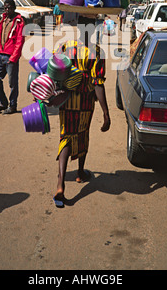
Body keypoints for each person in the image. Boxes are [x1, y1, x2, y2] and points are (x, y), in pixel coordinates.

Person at [52, 15, 111, 208]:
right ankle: (80, 172)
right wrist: (105, 112)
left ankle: (60, 184)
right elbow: (98, 84)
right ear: (94, 30)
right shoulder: (97, 52)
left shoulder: (64, 47)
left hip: (66, 101)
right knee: (82, 134)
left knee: (65, 137)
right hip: (85, 102)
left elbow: (52, 70)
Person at [0, 0, 25, 114]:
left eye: (9, 8)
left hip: (11, 57)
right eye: (5, 8)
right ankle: (3, 103)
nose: (7, 10)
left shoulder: (19, 21)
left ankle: (12, 105)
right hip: (0, 55)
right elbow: (0, 38)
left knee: (12, 83)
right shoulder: (3, 20)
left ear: (14, 8)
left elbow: (20, 41)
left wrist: (13, 58)